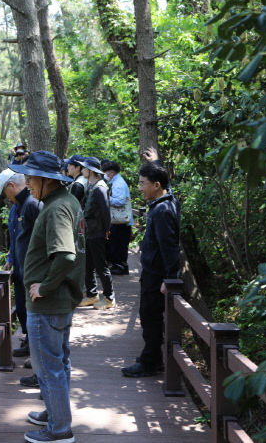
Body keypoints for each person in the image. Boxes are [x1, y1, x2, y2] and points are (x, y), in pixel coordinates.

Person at [9, 151, 85, 443]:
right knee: (59, 362)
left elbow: (66, 255)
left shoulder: (55, 209)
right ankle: (55, 413)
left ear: (45, 179)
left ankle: (59, 429)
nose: (27, 183)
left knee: (48, 367)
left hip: (49, 303)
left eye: (30, 178)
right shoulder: (66, 201)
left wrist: (44, 287)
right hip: (60, 301)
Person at [122, 160, 180, 377]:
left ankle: (150, 363)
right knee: (149, 316)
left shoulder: (162, 209)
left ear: (157, 185)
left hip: (156, 276)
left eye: (143, 183)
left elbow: (170, 246)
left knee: (150, 317)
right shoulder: (166, 200)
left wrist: (170, 278)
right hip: (153, 272)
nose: (140, 187)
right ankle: (152, 358)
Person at [0, 168, 44, 358]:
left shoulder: (32, 205)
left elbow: (43, 239)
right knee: (23, 309)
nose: (5, 197)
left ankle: (37, 357)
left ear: (12, 186)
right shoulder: (17, 207)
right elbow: (16, 237)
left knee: (35, 312)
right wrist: (10, 259)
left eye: (4, 192)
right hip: (21, 269)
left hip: (34, 271)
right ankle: (30, 342)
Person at [77, 157, 115, 310]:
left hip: (97, 232)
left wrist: (107, 230)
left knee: (101, 266)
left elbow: (106, 212)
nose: (82, 170)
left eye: (84, 168)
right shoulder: (92, 185)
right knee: (88, 265)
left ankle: (109, 298)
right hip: (90, 232)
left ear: (91, 171)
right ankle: (92, 295)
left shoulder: (100, 187)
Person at [102, 160, 133, 275]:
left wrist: (106, 198)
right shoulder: (117, 181)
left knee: (118, 244)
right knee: (118, 244)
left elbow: (120, 201)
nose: (105, 175)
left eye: (106, 172)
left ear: (111, 172)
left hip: (121, 221)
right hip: (121, 220)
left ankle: (120, 267)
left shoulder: (118, 183)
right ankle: (119, 265)